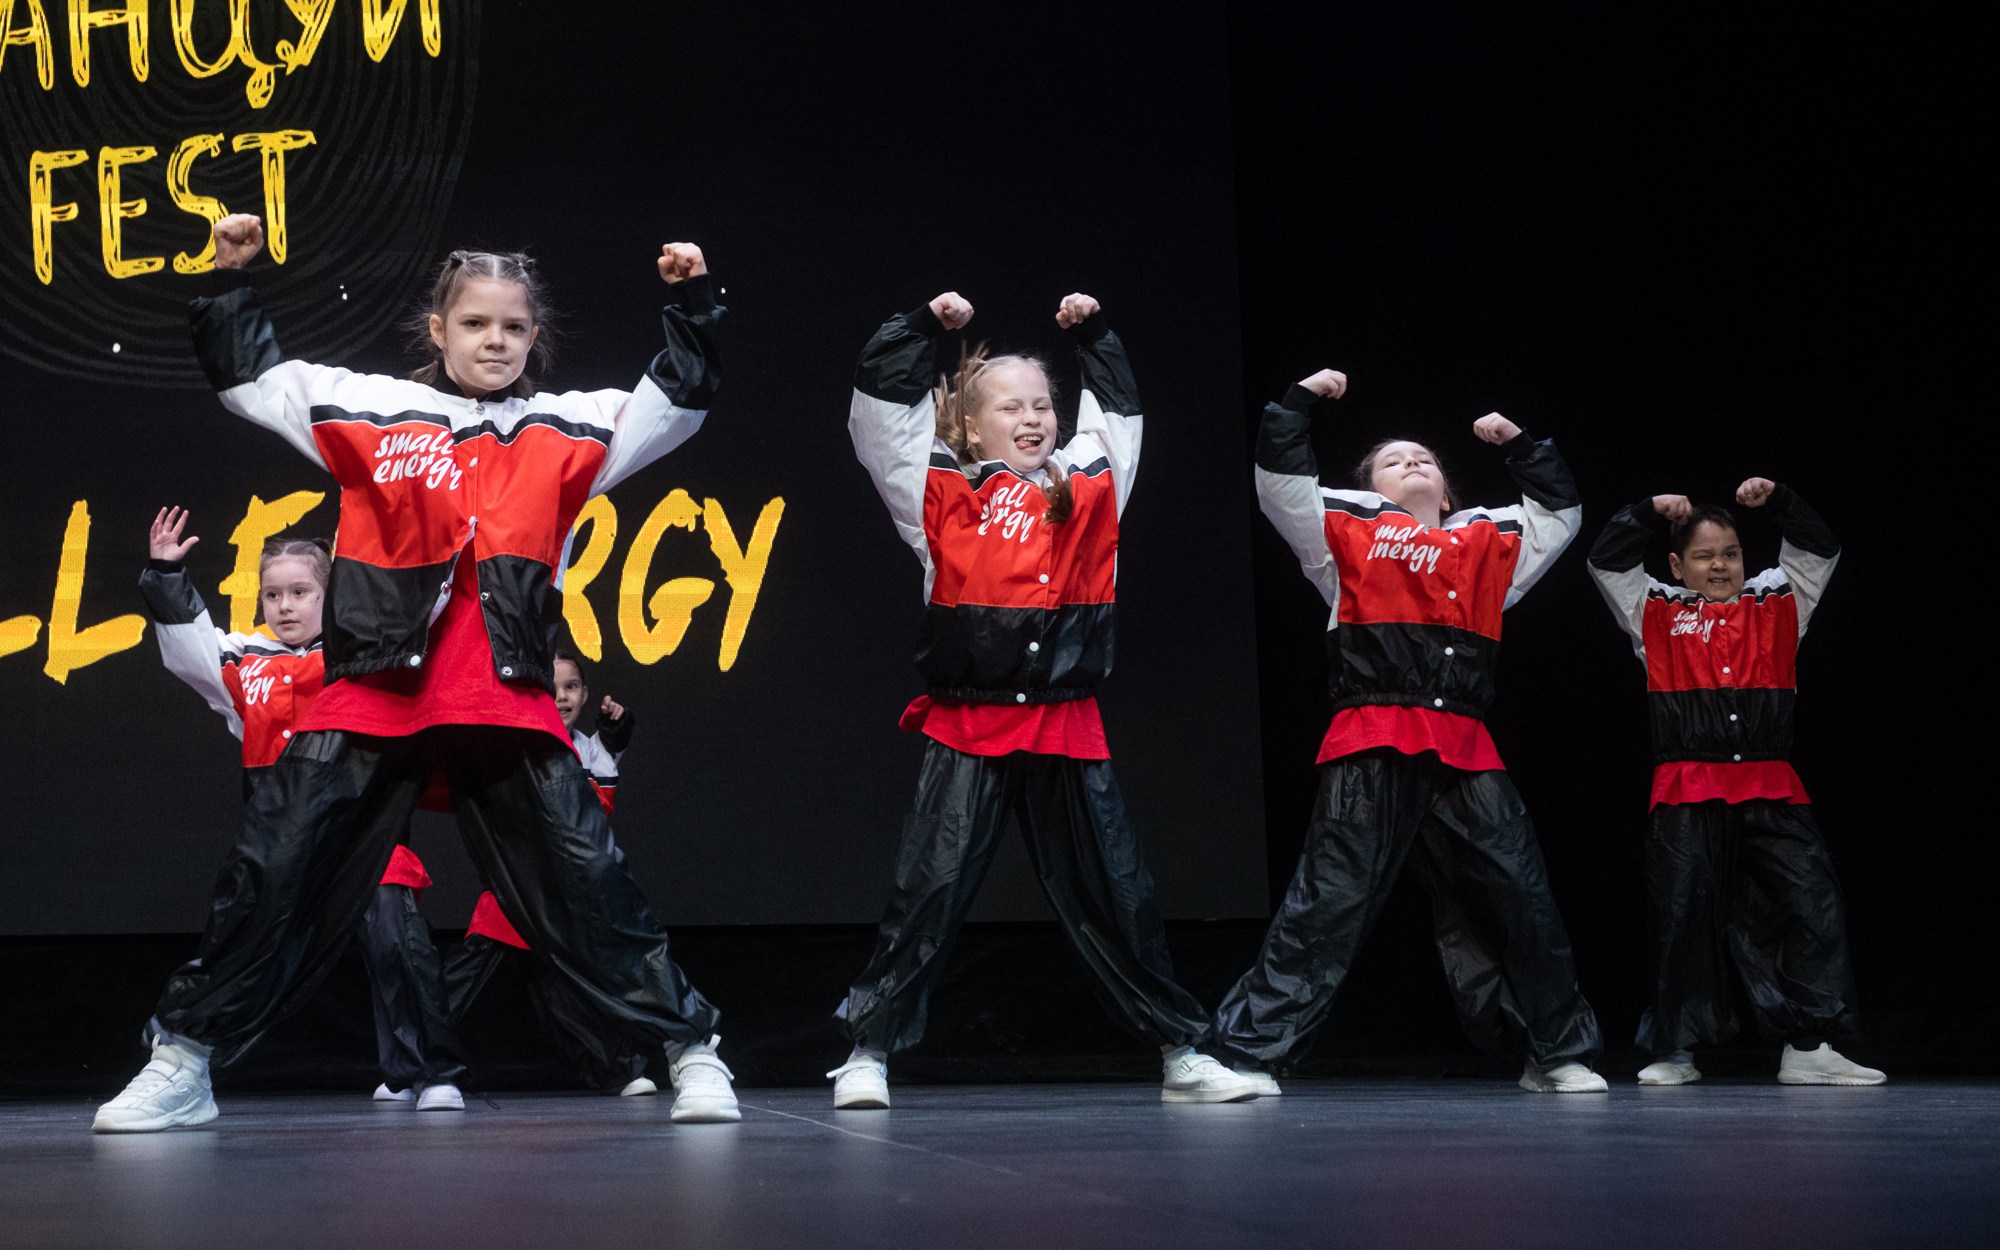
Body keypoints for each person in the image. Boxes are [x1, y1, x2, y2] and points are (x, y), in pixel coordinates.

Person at [93, 215, 737, 1132]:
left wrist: (691, 300)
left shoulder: (571, 429)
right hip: (370, 697)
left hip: (502, 701)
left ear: (534, 338)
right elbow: (255, 382)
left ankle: (691, 1052)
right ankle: (183, 1059)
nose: (495, 342)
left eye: (513, 328)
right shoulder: (371, 410)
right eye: (475, 324)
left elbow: (677, 397)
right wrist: (230, 278)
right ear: (438, 331)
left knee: (589, 888)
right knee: (271, 875)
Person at [831, 289, 1259, 1109]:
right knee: (929, 891)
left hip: (1066, 721)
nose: (1032, 418)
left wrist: (1095, 336)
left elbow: (1121, 411)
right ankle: (868, 1052)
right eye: (1010, 407)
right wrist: (922, 328)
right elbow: (878, 412)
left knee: (1118, 894)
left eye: (1042, 405)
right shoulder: (938, 495)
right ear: (967, 422)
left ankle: (1183, 1051)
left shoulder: (1094, 485)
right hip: (970, 720)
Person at [1215, 367, 1606, 1094]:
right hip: (1375, 733)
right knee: (1331, 899)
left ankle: (1556, 1050)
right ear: (1370, 488)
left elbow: (1560, 512)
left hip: (1464, 742)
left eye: (1424, 457)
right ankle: (1246, 1052)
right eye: (1393, 460)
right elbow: (1280, 478)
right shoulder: (1345, 531)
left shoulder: (1489, 541)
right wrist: (1299, 403)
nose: (1414, 462)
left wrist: (1523, 447)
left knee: (1520, 894)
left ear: (1449, 490)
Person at [139, 511, 468, 1109]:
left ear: (330, 593)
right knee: (242, 954)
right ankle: (182, 1066)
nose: (284, 605)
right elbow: (189, 646)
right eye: (272, 594)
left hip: (362, 830)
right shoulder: (243, 659)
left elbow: (427, 616)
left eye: (300, 592)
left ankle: (428, 1073)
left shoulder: (358, 654)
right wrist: (166, 574)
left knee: (397, 942)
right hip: (279, 844)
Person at [1587, 479, 1883, 1086]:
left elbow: (1819, 548)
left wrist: (1778, 502)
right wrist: (1646, 512)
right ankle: (1674, 1049)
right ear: (1676, 563)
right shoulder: (1654, 608)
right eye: (1704, 555)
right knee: (1682, 915)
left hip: (1773, 784)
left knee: (1810, 907)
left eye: (1730, 554)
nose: (1719, 566)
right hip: (1686, 785)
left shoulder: (1779, 599)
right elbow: (1605, 558)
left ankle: (1810, 1045)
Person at [441, 652, 659, 1096]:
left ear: (585, 693)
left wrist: (618, 723)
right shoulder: (521, 747)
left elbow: (615, 740)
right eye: (551, 687)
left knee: (564, 988)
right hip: (521, 887)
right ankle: (411, 1064)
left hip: (570, 894)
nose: (561, 697)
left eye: (571, 687)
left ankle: (614, 1070)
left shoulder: (594, 750)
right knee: (465, 975)